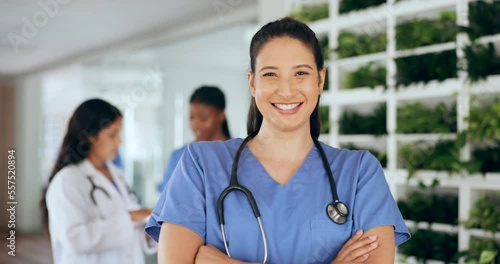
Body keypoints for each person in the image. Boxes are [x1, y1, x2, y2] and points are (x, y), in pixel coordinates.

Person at [146, 17, 410, 263]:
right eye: (271, 74)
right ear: (252, 83)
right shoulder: (200, 164)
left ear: (320, 80)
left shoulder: (360, 173)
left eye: (301, 73)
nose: (286, 90)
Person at [42, 99, 155, 264]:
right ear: (91, 137)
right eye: (112, 134)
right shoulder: (67, 181)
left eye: (119, 134)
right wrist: (132, 217)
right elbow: (76, 238)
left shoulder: (117, 175)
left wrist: (153, 227)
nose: (119, 142)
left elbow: (130, 231)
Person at [157, 85, 231, 192]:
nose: (195, 125)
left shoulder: (238, 153)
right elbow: (167, 199)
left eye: (203, 118)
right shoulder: (179, 156)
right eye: (191, 117)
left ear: (221, 115)